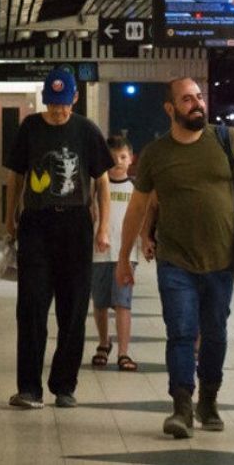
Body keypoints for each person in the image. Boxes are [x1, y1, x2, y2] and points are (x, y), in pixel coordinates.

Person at [115, 77, 234, 439]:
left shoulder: (227, 140)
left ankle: (208, 399)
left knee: (214, 334)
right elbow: (139, 206)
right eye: (187, 99)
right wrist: (124, 256)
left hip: (221, 258)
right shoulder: (156, 154)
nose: (197, 104)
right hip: (175, 259)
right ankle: (181, 405)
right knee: (181, 332)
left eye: (199, 97)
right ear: (170, 109)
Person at [5, 67, 114, 409]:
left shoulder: (86, 131)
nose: (57, 111)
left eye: (63, 104)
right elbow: (17, 177)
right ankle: (29, 389)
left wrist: (104, 227)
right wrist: (11, 218)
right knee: (32, 307)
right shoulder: (30, 128)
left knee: (74, 307)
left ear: (75, 99)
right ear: (44, 100)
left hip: (75, 225)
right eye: (52, 104)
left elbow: (103, 183)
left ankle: (64, 385)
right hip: (36, 224)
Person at [90, 136, 141, 372]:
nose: (118, 162)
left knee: (123, 303)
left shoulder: (136, 190)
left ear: (131, 159)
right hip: (98, 253)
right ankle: (103, 343)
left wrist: (145, 242)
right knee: (100, 302)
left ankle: (123, 352)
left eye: (123, 157)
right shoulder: (97, 186)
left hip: (126, 254)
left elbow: (143, 219)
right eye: (113, 158)